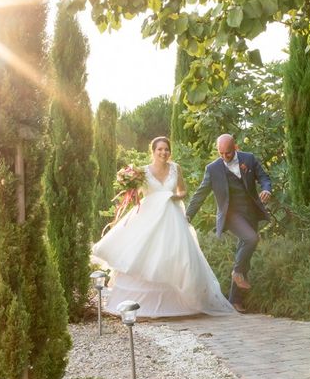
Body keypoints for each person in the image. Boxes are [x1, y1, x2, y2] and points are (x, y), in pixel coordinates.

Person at [92, 136, 235, 318]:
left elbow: (182, 191)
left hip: (171, 215)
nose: (163, 153)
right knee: (146, 255)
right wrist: (128, 182)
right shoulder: (142, 172)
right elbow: (135, 194)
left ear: (170, 151)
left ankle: (179, 303)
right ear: (153, 151)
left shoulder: (176, 168)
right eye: (159, 149)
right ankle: (138, 305)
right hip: (148, 218)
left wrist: (174, 197)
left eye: (166, 149)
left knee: (175, 254)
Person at [186, 134, 271, 313]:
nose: (225, 157)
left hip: (250, 213)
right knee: (251, 239)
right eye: (221, 153)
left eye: (229, 153)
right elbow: (200, 194)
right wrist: (187, 216)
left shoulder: (249, 159)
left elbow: (264, 177)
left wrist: (266, 189)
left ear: (236, 148)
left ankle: (235, 300)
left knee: (244, 252)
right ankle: (237, 272)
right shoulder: (213, 169)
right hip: (231, 215)